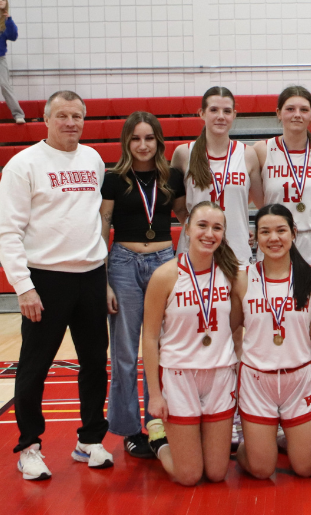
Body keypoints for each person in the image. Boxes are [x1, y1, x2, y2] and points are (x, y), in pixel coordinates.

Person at [0, 90, 113, 480]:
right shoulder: (22, 165)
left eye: (77, 116)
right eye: (62, 115)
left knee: (95, 362)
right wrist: (23, 286)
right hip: (45, 280)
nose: (71, 123)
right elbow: (8, 232)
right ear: (46, 119)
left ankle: (90, 440)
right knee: (35, 365)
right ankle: (29, 446)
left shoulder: (94, 160)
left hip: (91, 276)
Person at [100, 111, 187, 459]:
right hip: (123, 264)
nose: (142, 145)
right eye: (135, 138)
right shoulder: (114, 179)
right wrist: (102, 278)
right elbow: (102, 225)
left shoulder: (173, 177)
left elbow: (186, 217)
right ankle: (130, 430)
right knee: (124, 352)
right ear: (126, 142)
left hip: (166, 264)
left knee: (170, 347)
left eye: (149, 138)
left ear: (159, 141)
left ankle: (165, 423)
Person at [142, 201, 243, 486]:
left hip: (220, 374)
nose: (209, 233)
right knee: (189, 476)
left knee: (216, 473)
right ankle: (160, 441)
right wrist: (155, 395)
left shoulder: (232, 274)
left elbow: (237, 323)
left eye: (217, 227)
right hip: (178, 375)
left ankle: (189, 440)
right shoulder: (165, 276)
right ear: (186, 229)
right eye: (202, 225)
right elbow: (149, 338)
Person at [234, 204, 311, 481]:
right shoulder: (242, 277)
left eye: (281, 230)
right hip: (257, 380)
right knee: (261, 470)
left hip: (299, 380)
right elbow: (233, 329)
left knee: (306, 468)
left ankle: (280, 432)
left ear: (293, 233)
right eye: (265, 232)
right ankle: (255, 441)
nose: (274, 238)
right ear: (255, 237)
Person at [172, 86, 264, 265]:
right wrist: (201, 227)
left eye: (227, 111)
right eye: (214, 110)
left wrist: (237, 221)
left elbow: (259, 200)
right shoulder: (183, 153)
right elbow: (179, 206)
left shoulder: (247, 154)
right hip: (196, 247)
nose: (221, 116)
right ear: (201, 113)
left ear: (234, 115)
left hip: (236, 247)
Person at [254, 86, 311, 275]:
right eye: (290, 109)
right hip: (276, 238)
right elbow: (259, 200)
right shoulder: (262, 150)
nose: (297, 115)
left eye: (304, 110)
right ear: (279, 113)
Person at [0, 1, 24, 124]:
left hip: (0, 59)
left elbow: (13, 36)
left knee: (5, 85)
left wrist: (8, 19)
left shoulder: (5, 21)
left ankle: (18, 114)